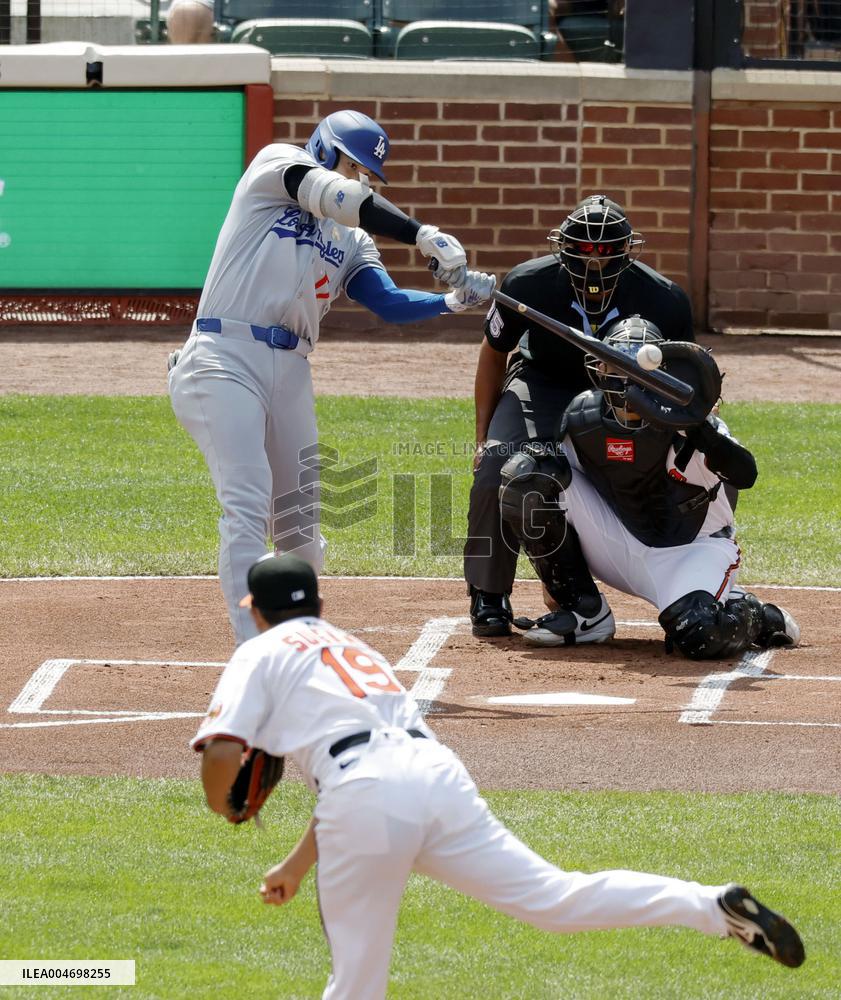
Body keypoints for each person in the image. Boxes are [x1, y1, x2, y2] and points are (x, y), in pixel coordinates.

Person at [192, 553, 805, 999]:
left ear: (253, 608)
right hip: (433, 777)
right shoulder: (355, 649)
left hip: (366, 795)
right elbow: (368, 767)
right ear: (319, 604)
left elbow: (224, 754)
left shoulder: (260, 651)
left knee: (355, 987)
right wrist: (298, 865)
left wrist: (224, 807)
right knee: (555, 898)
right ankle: (710, 907)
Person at [169, 109, 495, 645]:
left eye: (368, 172)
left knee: (301, 530)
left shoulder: (351, 240)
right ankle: (254, 650)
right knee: (247, 503)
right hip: (224, 355)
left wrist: (451, 301)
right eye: (354, 164)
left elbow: (386, 301)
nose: (359, 179)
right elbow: (346, 200)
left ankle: (295, 640)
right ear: (325, 150)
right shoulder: (276, 167)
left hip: (291, 368)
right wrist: (423, 233)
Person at [499, 315, 801, 655]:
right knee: (527, 475)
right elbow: (553, 493)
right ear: (600, 369)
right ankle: (584, 613)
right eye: (617, 367)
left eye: (635, 368)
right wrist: (554, 587)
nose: (626, 378)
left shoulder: (690, 424)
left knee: (699, 634)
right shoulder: (582, 418)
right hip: (616, 542)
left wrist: (701, 429)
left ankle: (757, 615)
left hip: (691, 551)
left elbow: (745, 474)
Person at [465, 193, 691, 639]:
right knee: (496, 464)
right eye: (582, 251)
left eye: (606, 252)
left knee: (630, 476)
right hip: (543, 380)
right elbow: (493, 356)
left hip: (622, 391)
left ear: (628, 250)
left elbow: (687, 374)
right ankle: (488, 593)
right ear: (561, 247)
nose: (594, 262)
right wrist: (481, 437)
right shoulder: (526, 283)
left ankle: (676, 582)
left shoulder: (665, 299)